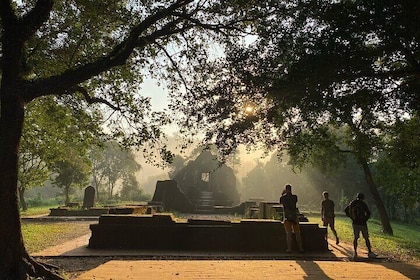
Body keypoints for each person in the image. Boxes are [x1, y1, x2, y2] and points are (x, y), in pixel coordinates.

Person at [345, 192, 377, 259]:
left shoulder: (353, 203)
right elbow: (368, 212)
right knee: (366, 238)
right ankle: (370, 252)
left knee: (356, 238)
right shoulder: (363, 204)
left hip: (355, 223)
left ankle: (355, 252)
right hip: (362, 223)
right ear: (363, 198)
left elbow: (346, 210)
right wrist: (365, 219)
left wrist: (351, 217)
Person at [279, 184, 304, 253]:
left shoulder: (283, 198)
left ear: (286, 189)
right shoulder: (295, 197)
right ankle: (300, 248)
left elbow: (280, 202)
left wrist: (282, 194)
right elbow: (295, 202)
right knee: (297, 233)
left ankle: (289, 249)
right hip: (294, 217)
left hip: (287, 217)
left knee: (289, 234)